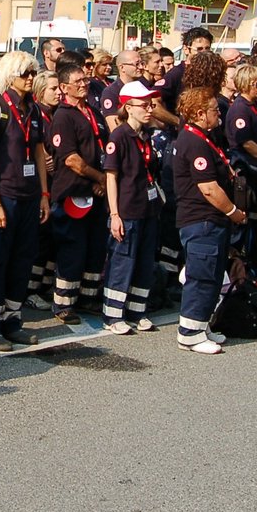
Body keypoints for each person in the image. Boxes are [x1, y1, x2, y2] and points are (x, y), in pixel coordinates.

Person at [0, 50, 49, 351]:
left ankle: (12, 322)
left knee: (22, 261)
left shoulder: (34, 110)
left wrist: (44, 194)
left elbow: (40, 155)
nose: (30, 78)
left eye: (32, 72)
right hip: (4, 197)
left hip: (30, 197)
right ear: (9, 76)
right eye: (25, 74)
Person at [168, 87, 246, 354]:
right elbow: (209, 188)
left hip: (211, 221)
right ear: (200, 114)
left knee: (213, 275)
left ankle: (201, 325)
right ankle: (189, 333)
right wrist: (233, 211)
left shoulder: (204, 138)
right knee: (201, 276)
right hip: (201, 219)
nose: (219, 115)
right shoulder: (194, 142)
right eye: (214, 110)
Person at [46, 62, 108, 324]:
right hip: (73, 191)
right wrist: (100, 177)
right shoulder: (63, 116)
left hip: (96, 192)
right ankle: (64, 303)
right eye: (78, 81)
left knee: (95, 247)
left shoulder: (93, 112)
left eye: (85, 80)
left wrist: (103, 181)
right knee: (73, 248)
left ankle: (88, 296)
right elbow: (72, 159)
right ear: (64, 87)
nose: (85, 84)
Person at [100, 79, 160, 334]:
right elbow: (111, 176)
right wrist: (115, 214)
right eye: (143, 105)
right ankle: (113, 314)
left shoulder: (145, 135)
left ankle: (137, 310)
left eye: (150, 104)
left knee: (145, 261)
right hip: (127, 209)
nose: (149, 109)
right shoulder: (120, 135)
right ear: (128, 106)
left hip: (147, 207)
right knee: (123, 261)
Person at [225, 63, 257, 273]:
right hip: (245, 172)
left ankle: (256, 264)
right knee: (242, 222)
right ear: (246, 85)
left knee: (256, 221)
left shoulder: (255, 107)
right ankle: (238, 269)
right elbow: (246, 142)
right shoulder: (239, 109)